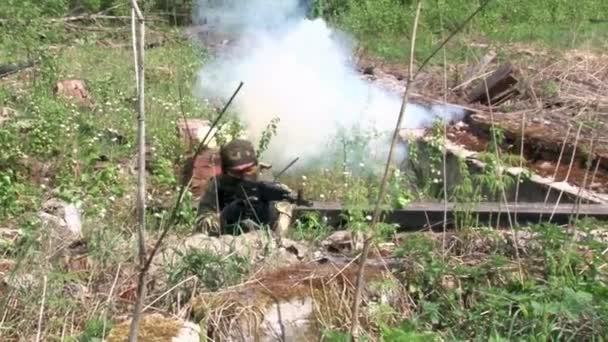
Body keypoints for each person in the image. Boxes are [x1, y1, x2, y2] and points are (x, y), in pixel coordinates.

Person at [194, 139, 295, 240]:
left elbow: (281, 236)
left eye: (248, 170)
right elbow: (200, 227)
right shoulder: (217, 186)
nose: (244, 177)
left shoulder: (271, 186)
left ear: (257, 166)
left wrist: (271, 214)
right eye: (237, 173)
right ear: (226, 172)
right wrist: (224, 216)